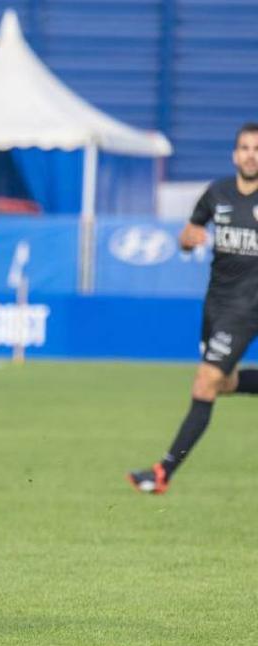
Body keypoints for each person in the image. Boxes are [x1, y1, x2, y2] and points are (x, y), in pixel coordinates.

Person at [127, 123, 258, 494]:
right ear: (235, 155)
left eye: (257, 148)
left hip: (248, 307)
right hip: (216, 305)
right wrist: (189, 237)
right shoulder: (217, 193)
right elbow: (187, 237)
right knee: (221, 383)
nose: (251, 154)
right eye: (245, 148)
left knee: (204, 381)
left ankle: (162, 472)